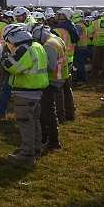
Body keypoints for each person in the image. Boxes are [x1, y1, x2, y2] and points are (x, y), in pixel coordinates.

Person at [1, 24, 48, 163]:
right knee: (34, 121)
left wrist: (5, 59)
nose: (8, 44)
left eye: (7, 41)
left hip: (25, 91)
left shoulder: (23, 49)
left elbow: (12, 67)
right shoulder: (37, 45)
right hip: (37, 91)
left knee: (25, 123)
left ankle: (27, 154)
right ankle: (36, 148)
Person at [30, 19, 66, 153]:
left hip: (51, 80)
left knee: (48, 111)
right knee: (49, 110)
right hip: (60, 77)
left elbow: (49, 66)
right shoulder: (57, 39)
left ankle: (52, 140)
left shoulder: (48, 45)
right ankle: (49, 138)